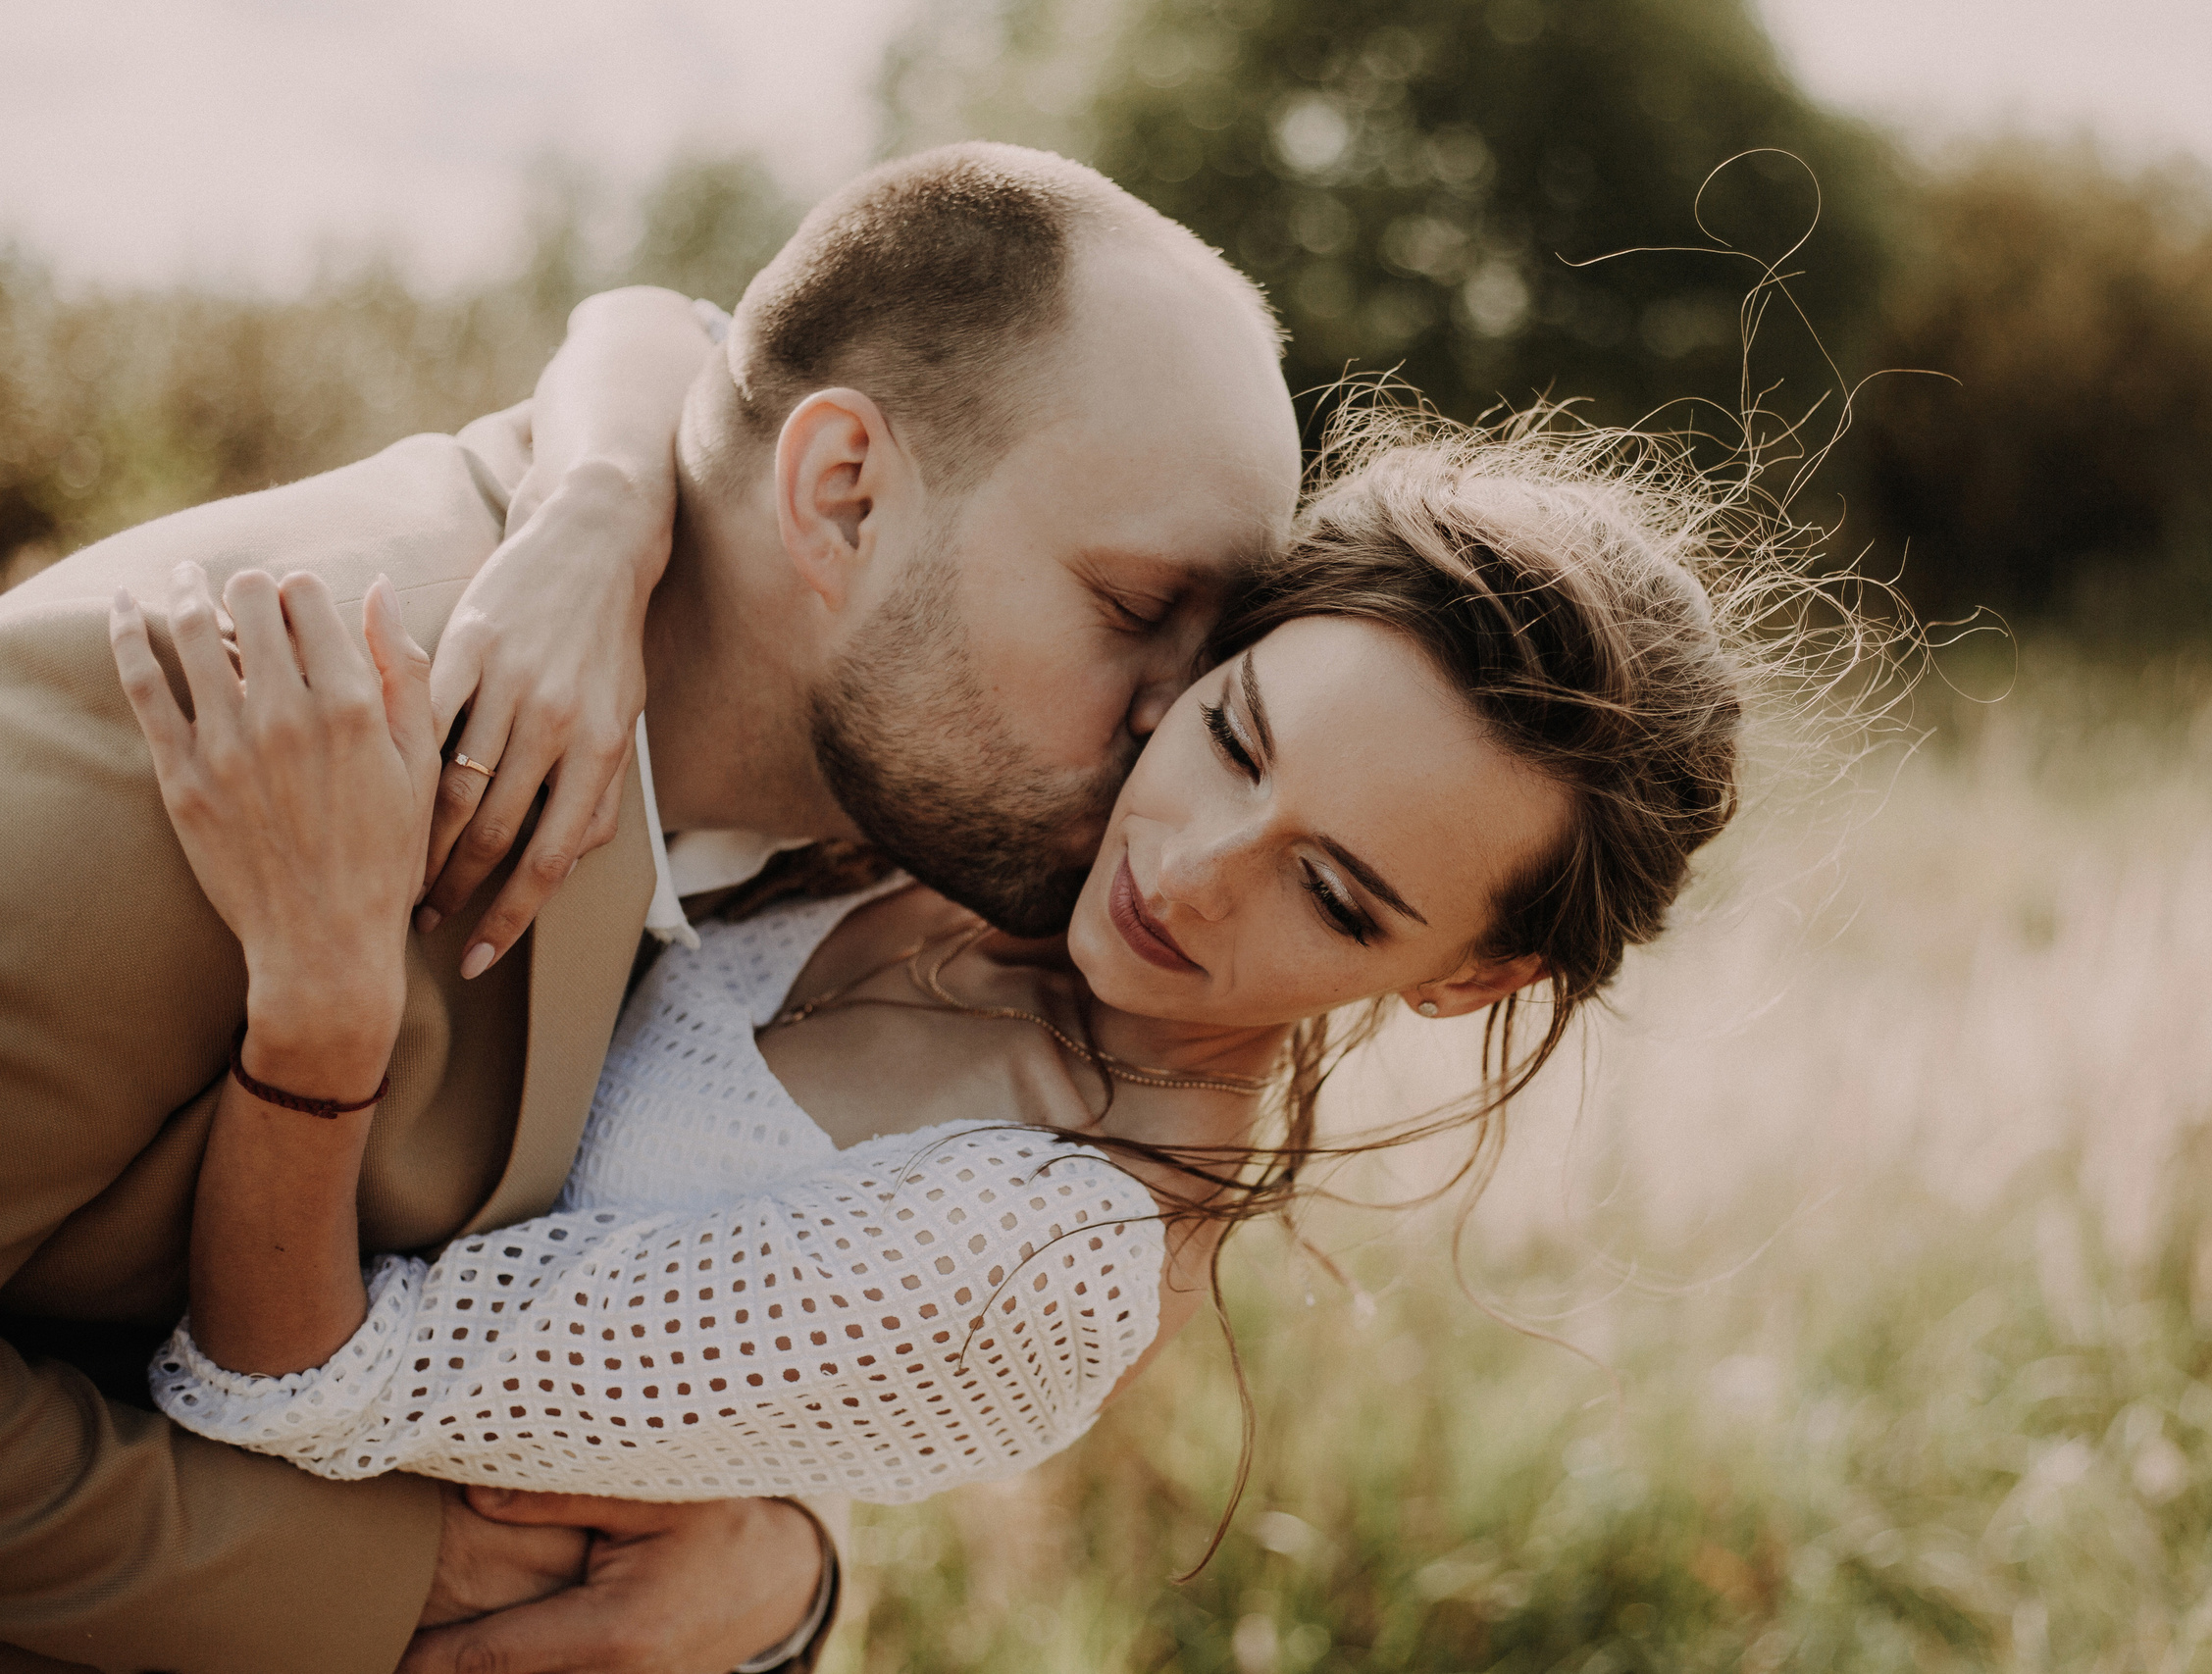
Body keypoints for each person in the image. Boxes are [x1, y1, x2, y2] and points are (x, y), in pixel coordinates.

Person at [0, 142, 1298, 1674]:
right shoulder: (251, 743)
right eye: (1138, 611)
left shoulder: (881, 853)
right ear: (843, 494)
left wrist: (785, 1572)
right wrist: (408, 1576)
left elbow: (691, 336)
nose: (1181, 728)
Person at [126, 404, 1754, 1533]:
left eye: (1331, 896)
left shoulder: (1034, 1254)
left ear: (1468, 979)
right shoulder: (1021, 818)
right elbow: (711, 339)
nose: (1184, 869)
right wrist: (602, 510)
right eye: (1234, 737)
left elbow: (293, 1386)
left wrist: (323, 996)